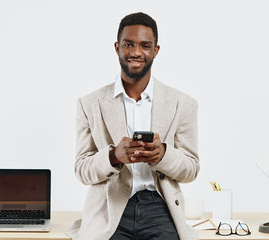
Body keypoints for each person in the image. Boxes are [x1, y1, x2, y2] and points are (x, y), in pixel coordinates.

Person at [66, 12, 199, 240]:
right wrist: (113, 157)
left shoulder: (182, 104)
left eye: (145, 46)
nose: (136, 52)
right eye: (129, 44)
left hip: (160, 208)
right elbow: (81, 170)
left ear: (155, 51)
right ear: (117, 48)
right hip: (109, 209)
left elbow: (191, 169)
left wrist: (163, 155)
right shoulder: (89, 104)